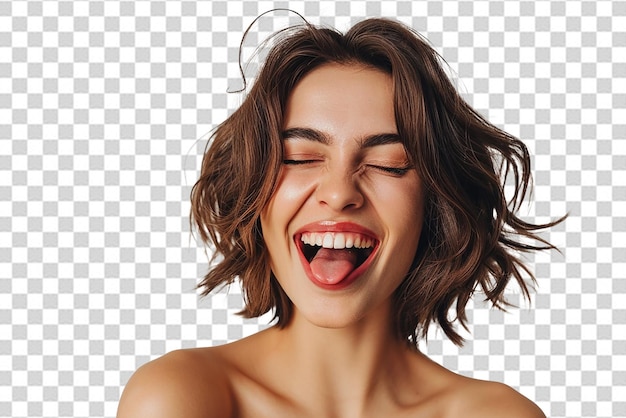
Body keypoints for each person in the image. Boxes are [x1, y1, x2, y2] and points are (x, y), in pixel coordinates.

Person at [117, 16, 562, 418]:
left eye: (389, 163)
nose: (338, 193)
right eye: (301, 157)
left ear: (435, 202)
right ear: (253, 193)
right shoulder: (179, 396)